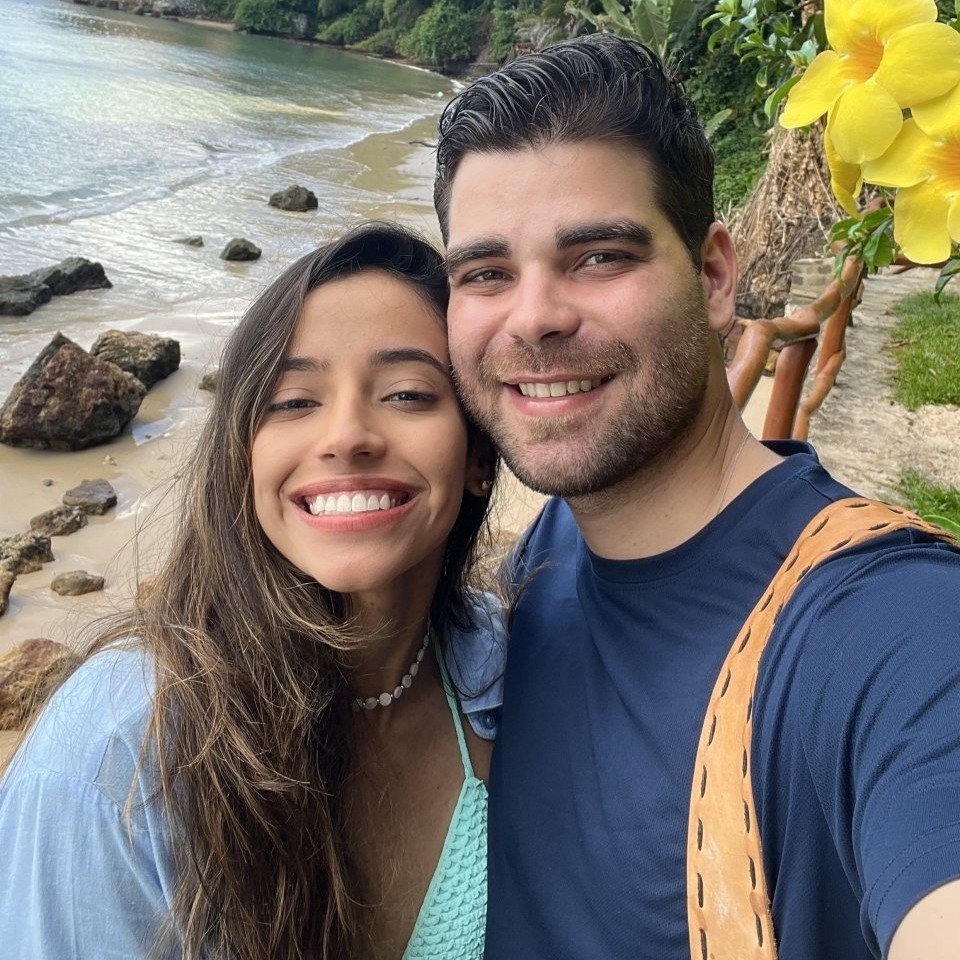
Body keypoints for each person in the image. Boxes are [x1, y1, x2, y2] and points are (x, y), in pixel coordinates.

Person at [433, 34, 960, 960]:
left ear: (715, 276)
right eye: (485, 274)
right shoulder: (549, 555)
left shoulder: (890, 628)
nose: (534, 316)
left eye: (599, 256)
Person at [0, 223, 504, 960]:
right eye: (294, 402)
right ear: (243, 459)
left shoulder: (497, 669)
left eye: (407, 393)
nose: (346, 436)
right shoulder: (118, 758)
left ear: (478, 456)